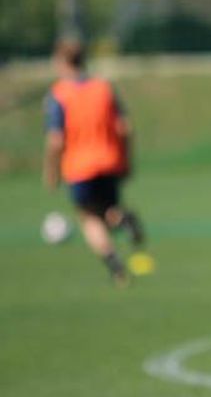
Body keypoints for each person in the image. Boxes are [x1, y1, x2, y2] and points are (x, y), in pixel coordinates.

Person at [43, 40, 150, 287]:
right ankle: (122, 218)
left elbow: (56, 140)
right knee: (109, 211)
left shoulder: (59, 94)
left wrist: (51, 170)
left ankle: (116, 269)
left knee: (89, 218)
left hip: (79, 166)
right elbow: (125, 127)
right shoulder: (103, 88)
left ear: (61, 62)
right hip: (110, 161)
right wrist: (126, 159)